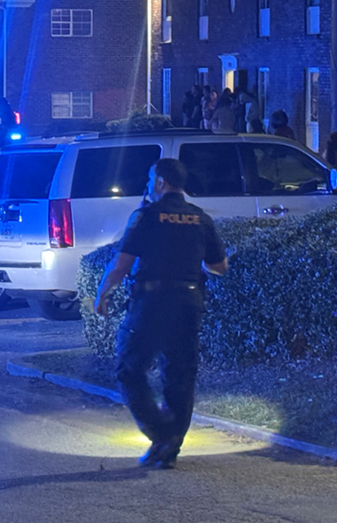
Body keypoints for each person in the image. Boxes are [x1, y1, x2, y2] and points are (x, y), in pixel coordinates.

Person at [95, 159, 228, 470]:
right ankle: (170, 447)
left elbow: (120, 265)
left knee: (129, 370)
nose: (148, 185)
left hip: (150, 304)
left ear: (161, 183)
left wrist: (102, 294)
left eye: (150, 179)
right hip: (188, 303)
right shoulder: (200, 219)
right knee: (180, 376)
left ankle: (160, 432)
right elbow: (219, 267)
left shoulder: (145, 216)